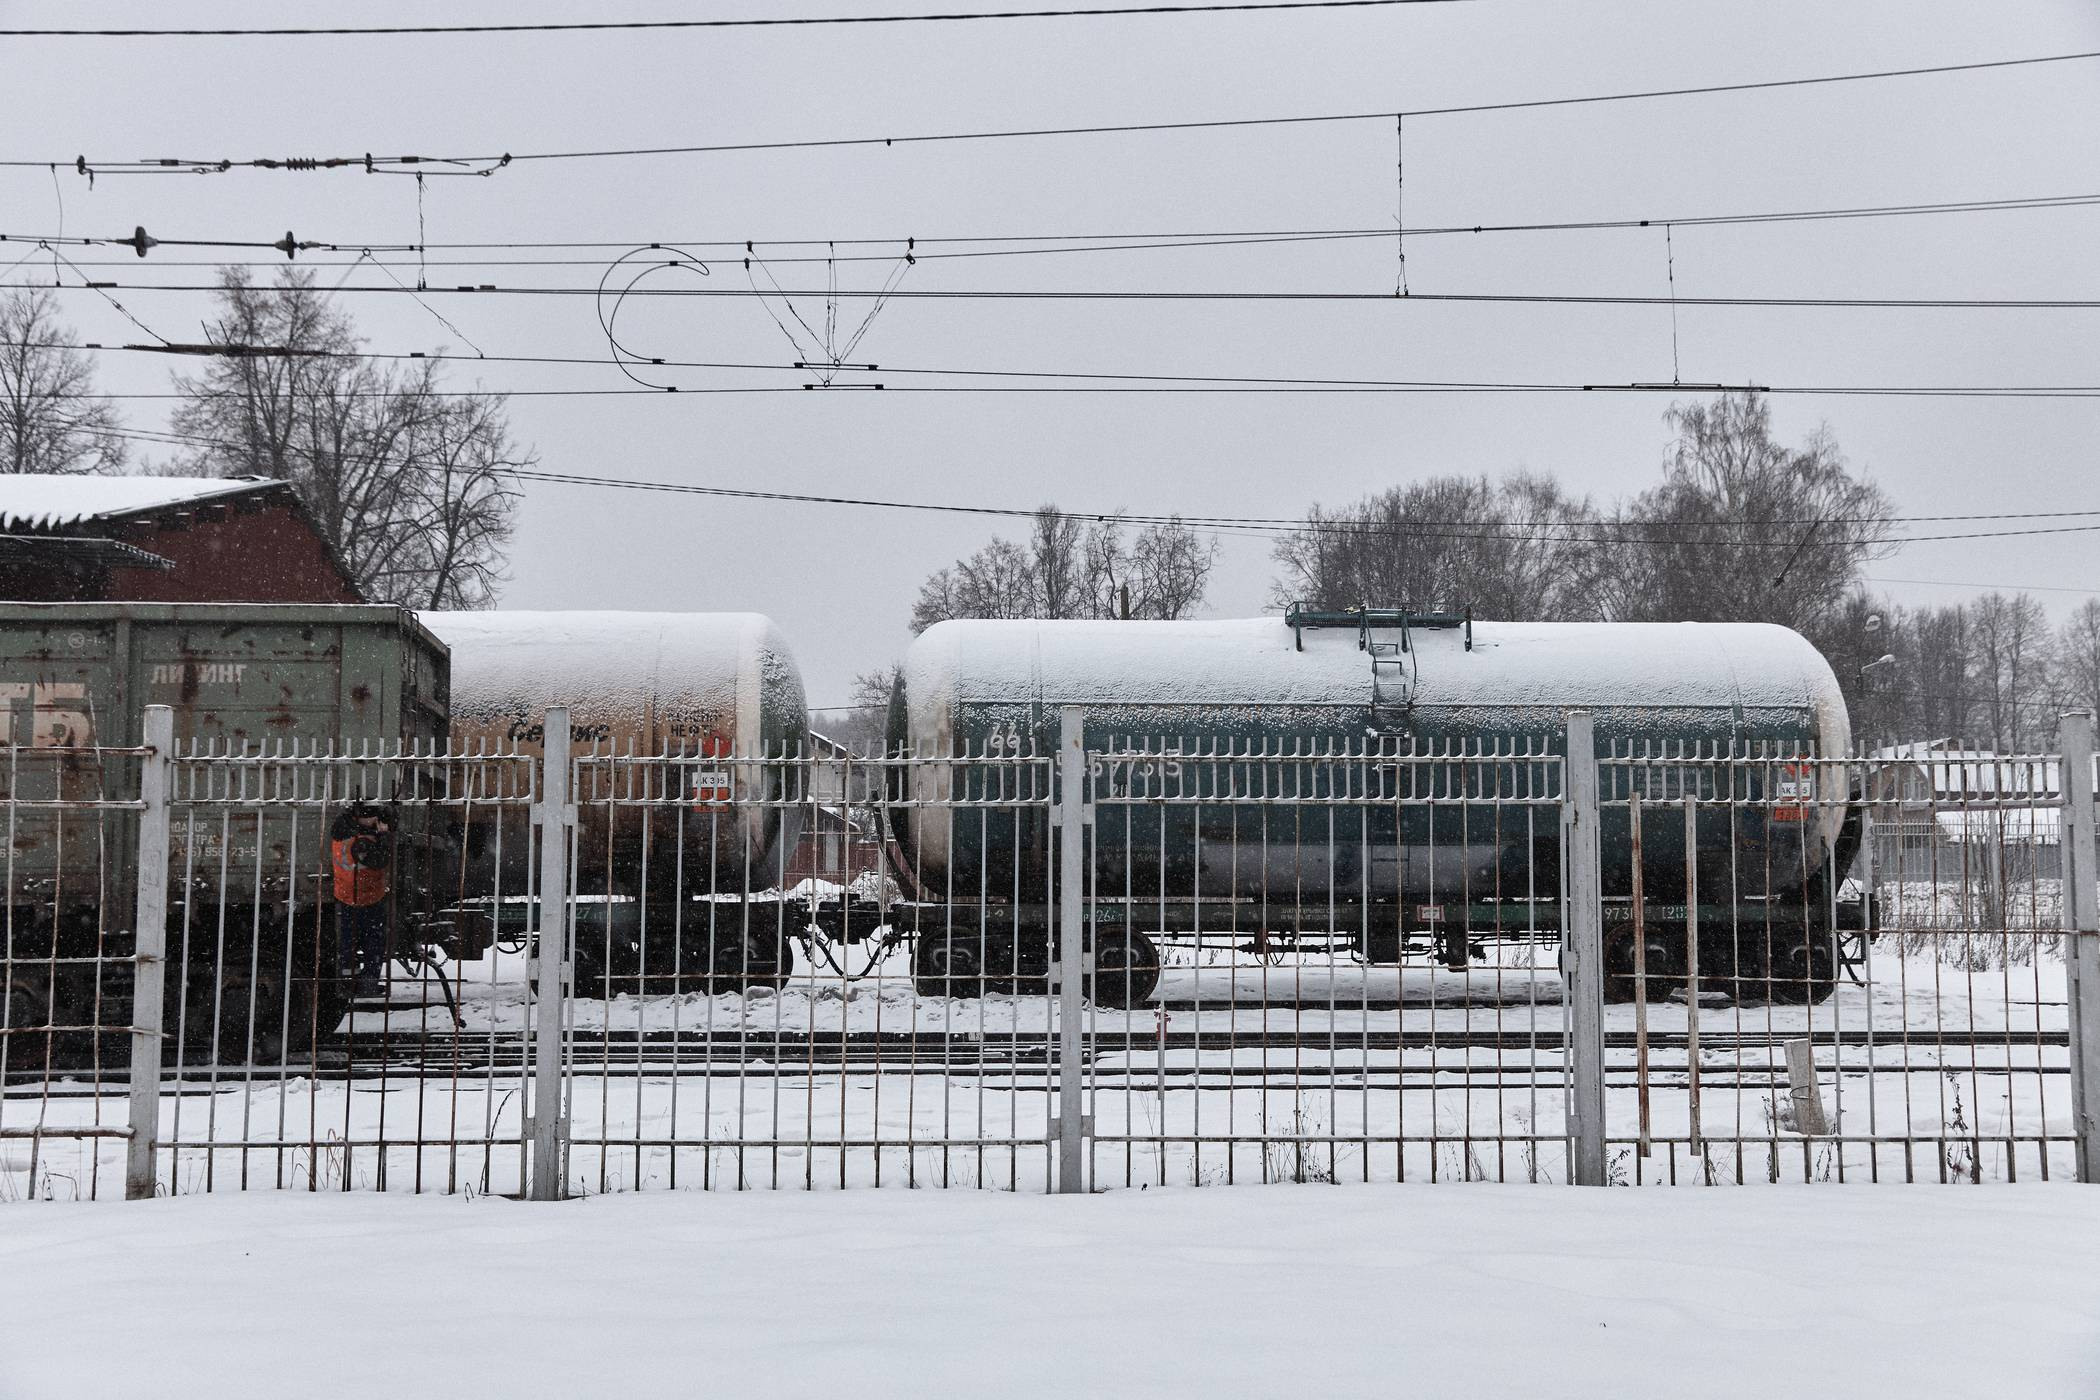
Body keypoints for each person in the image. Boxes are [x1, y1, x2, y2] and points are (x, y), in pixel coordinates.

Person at [330, 803, 395, 997]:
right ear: (362, 818)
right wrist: (383, 835)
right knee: (373, 943)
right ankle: (367, 984)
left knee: (348, 943)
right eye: (373, 817)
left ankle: (348, 983)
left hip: (345, 895)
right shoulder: (361, 841)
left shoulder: (340, 833)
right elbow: (380, 860)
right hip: (368, 897)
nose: (376, 821)